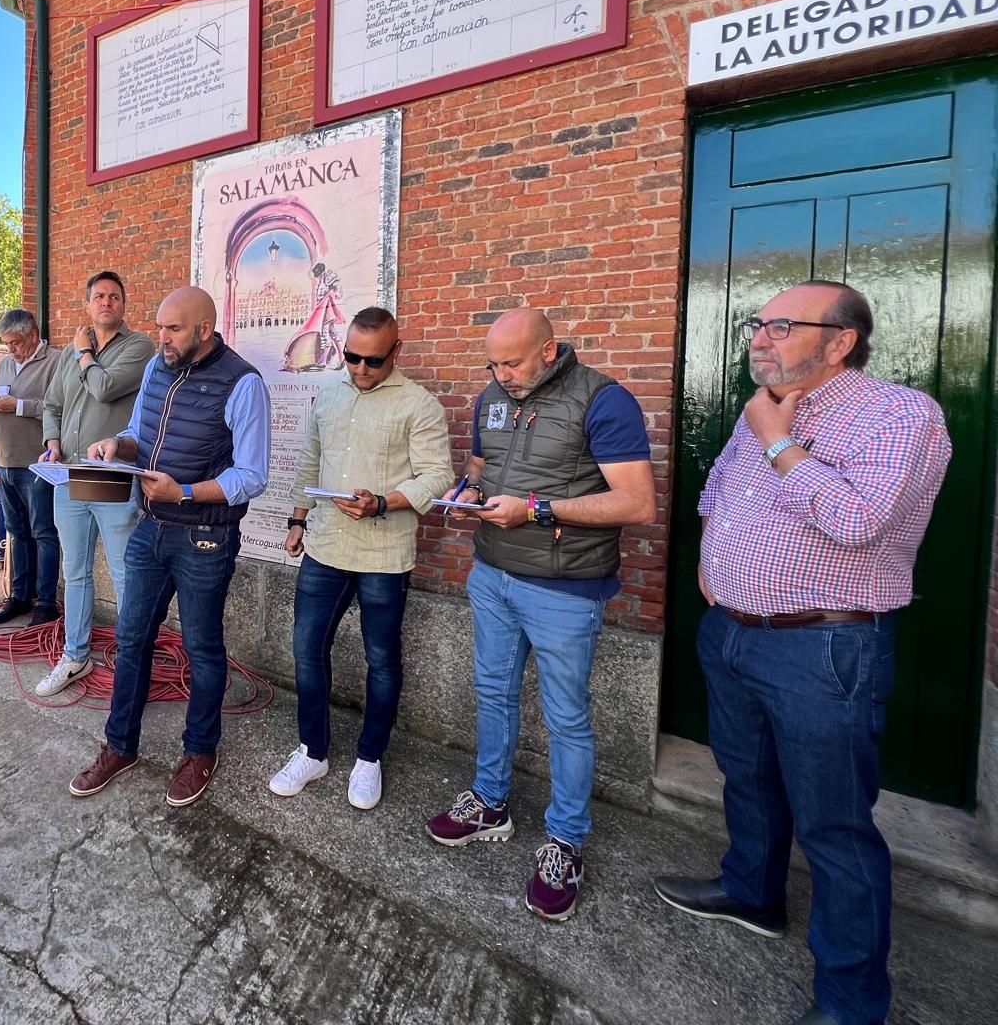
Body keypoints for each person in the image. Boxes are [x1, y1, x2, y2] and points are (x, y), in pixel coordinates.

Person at [653, 281, 950, 1025]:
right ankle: (752, 891)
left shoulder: (900, 415)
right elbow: (716, 490)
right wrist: (714, 559)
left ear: (840, 340)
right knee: (746, 780)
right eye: (759, 324)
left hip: (823, 646)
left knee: (835, 826)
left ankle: (852, 1005)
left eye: (781, 326)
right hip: (732, 634)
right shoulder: (764, 408)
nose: (760, 337)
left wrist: (777, 441)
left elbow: (858, 521)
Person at [423, 308, 655, 923]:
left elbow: (636, 503)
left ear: (549, 350)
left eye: (513, 362)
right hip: (492, 574)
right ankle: (491, 802)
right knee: (492, 692)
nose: (501, 375)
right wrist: (466, 491)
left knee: (566, 717)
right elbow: (480, 465)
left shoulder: (604, 401)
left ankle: (565, 841)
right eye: (492, 364)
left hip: (563, 587)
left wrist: (537, 510)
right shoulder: (492, 395)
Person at [69, 287, 269, 808]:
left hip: (206, 537)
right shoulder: (159, 369)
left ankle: (200, 751)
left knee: (202, 649)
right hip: (150, 528)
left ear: (205, 329)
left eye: (173, 329)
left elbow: (251, 476)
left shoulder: (243, 383)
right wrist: (117, 445)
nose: (162, 337)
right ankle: (120, 746)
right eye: (159, 326)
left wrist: (183, 491)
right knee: (131, 640)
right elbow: (139, 431)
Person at [273, 306, 454, 810]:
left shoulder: (420, 405)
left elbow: (437, 475)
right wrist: (296, 519)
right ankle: (313, 751)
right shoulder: (328, 394)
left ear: (396, 351)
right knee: (307, 650)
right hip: (326, 544)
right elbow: (311, 460)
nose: (359, 369)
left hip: (384, 552)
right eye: (352, 357)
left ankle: (370, 758)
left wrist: (383, 501)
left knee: (381, 659)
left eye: (372, 361)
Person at [36, 271, 154, 696]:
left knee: (124, 573)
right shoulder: (70, 355)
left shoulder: (139, 347)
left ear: (123, 305)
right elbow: (52, 404)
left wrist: (84, 352)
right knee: (76, 570)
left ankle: (130, 658)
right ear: (87, 304)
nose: (106, 302)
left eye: (114, 297)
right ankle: (75, 656)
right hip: (67, 475)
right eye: (98, 296)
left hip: (112, 477)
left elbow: (104, 388)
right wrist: (52, 441)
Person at [0, 308, 61, 627]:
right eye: (6, 344)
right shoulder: (4, 365)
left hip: (37, 463)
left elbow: (60, 408)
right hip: (6, 461)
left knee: (43, 533)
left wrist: (19, 406)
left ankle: (46, 603)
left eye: (14, 343)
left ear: (32, 336)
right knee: (16, 533)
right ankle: (19, 596)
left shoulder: (56, 361)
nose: (9, 349)